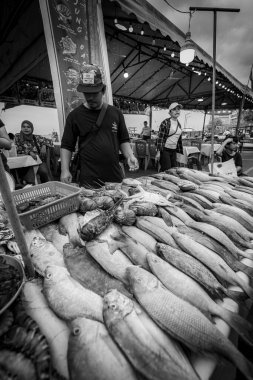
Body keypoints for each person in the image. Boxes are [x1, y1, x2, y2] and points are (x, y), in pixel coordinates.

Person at [60, 64, 139, 187]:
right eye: (87, 93)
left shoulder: (116, 113)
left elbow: (123, 140)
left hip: (114, 176)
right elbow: (67, 145)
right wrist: (64, 170)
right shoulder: (74, 116)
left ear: (103, 90)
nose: (90, 97)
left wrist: (130, 156)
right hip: (88, 178)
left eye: (94, 93)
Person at [15, 120, 53, 184]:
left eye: (28, 127)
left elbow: (50, 141)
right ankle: (29, 188)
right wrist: (29, 152)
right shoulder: (18, 136)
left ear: (32, 128)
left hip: (38, 160)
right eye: (23, 127)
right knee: (24, 176)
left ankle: (46, 187)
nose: (26, 128)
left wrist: (44, 145)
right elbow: (17, 148)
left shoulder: (36, 137)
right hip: (24, 163)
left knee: (44, 172)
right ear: (21, 128)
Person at [155, 102, 183, 171]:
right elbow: (160, 138)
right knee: (166, 169)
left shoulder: (179, 124)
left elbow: (179, 140)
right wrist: (158, 153)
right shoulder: (165, 122)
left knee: (173, 170)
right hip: (165, 150)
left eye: (178, 109)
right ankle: (160, 181)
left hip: (174, 150)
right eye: (174, 109)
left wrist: (178, 153)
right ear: (170, 112)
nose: (177, 111)